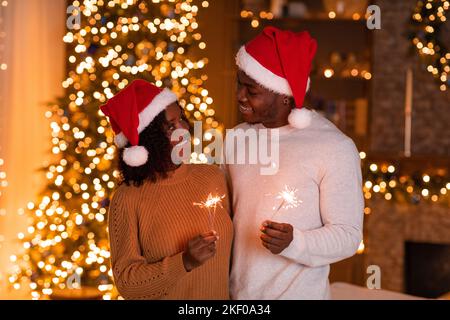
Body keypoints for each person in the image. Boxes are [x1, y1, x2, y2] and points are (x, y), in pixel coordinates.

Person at [223, 26, 364, 299]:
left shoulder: (334, 147)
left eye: (251, 90)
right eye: (240, 83)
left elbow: (348, 236)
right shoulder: (237, 139)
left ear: (284, 94)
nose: (240, 95)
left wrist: (295, 242)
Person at [102, 79, 233, 300]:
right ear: (149, 140)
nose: (183, 129)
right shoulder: (128, 197)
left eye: (181, 118)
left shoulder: (213, 177)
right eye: (170, 126)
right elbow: (127, 283)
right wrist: (184, 262)